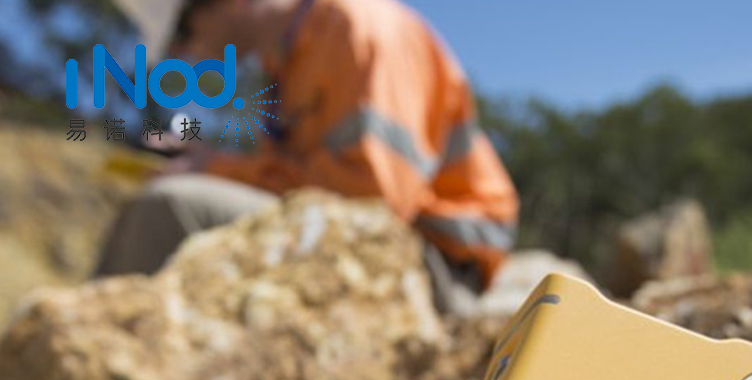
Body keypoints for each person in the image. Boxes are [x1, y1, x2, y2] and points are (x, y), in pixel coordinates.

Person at [96, 0, 519, 309]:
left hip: (433, 260)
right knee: (160, 206)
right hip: (377, 238)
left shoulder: (359, 28)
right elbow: (297, 182)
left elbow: (375, 200)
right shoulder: (287, 64)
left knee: (168, 208)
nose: (187, 55)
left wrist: (217, 170)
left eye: (183, 35)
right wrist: (212, 167)